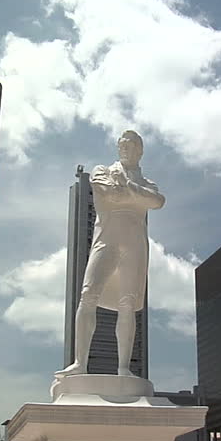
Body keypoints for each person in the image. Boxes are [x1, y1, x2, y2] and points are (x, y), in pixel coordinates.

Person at [55, 130, 165, 377]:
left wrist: (129, 187)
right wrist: (135, 196)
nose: (127, 148)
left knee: (128, 303)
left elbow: (157, 201)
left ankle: (124, 368)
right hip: (107, 238)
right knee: (88, 294)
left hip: (135, 242)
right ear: (118, 148)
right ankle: (79, 363)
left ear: (141, 150)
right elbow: (109, 194)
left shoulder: (147, 182)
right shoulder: (102, 170)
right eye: (123, 144)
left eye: (132, 144)